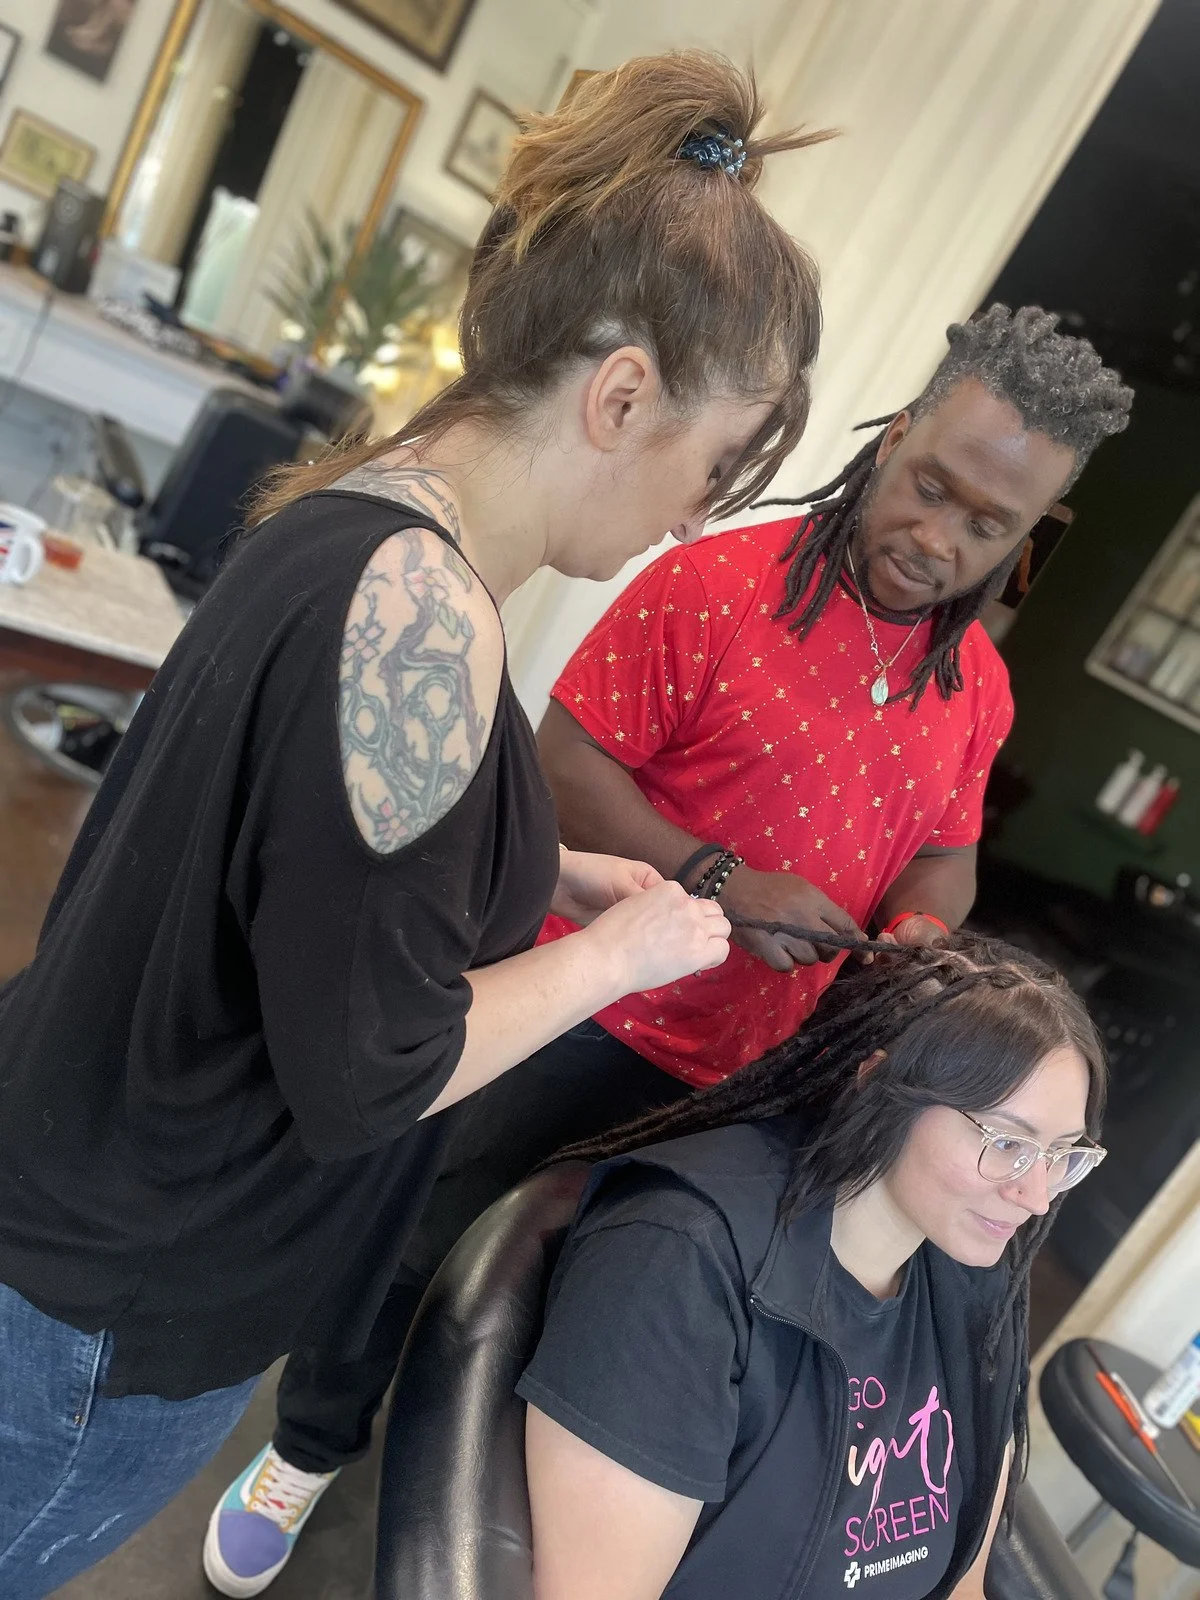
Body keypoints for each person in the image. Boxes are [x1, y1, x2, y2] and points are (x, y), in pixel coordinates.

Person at [0, 52, 830, 1597]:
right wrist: (620, 957)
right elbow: (370, 1073)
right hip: (108, 1306)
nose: (695, 515)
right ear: (623, 394)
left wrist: (558, 866)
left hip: (62, 1188)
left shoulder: (367, 514)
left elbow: (315, 845)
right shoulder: (426, 622)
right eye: (712, 466)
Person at [212, 306, 1132, 1594]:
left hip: (769, 1073)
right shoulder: (716, 586)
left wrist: (922, 931)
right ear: (893, 436)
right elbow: (560, 762)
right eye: (931, 486)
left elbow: (945, 850)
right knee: (414, 1243)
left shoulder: (974, 686)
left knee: (640, 1300)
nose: (940, 537)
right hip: (590, 1008)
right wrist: (717, 874)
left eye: (988, 525)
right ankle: (307, 1448)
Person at [520, 935, 1109, 1599]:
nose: (1034, 1197)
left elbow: (962, 1587)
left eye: (1064, 1154)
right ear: (880, 1088)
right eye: (1006, 1143)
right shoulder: (679, 1263)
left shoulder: (974, 1273)